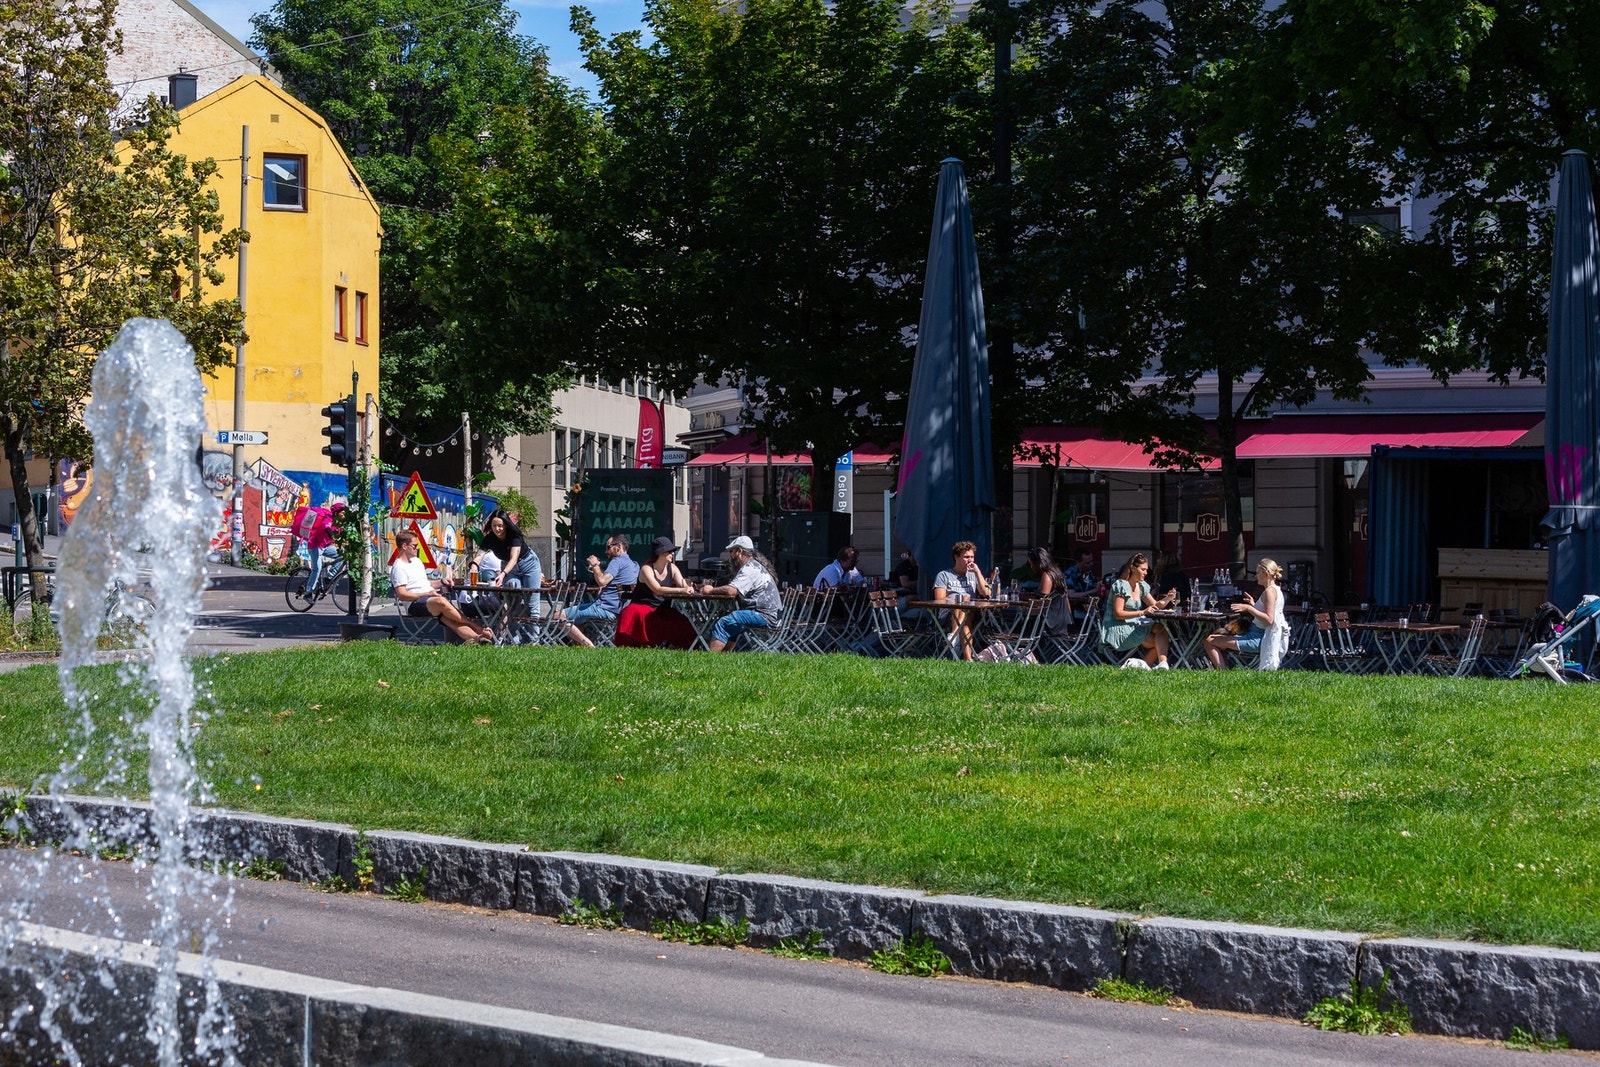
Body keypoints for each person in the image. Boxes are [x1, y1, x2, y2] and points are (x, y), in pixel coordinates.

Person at [388, 529, 494, 644]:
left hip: (430, 600)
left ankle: (478, 638)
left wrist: (442, 581)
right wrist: (427, 594)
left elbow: (426, 583)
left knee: (451, 620)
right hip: (414, 605)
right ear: (404, 546)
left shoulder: (416, 561)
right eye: (414, 546)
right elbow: (402, 595)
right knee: (441, 601)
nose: (417, 548)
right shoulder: (398, 567)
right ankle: (477, 627)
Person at [1205, 559, 1292, 670]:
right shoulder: (1276, 590)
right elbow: (1267, 613)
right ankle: (1225, 670)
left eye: (1257, 573)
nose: (1256, 576)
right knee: (1214, 638)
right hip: (1260, 635)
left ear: (1266, 574)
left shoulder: (1269, 592)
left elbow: (1269, 620)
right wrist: (1254, 605)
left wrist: (1249, 608)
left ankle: (1223, 674)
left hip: (1257, 638)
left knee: (1209, 641)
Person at [700, 535, 782, 651]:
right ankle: (723, 659)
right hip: (770, 615)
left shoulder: (749, 569)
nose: (730, 555)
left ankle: (710, 661)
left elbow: (731, 591)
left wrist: (710, 590)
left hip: (764, 616)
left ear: (739, 551)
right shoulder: (754, 566)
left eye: (731, 551)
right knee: (732, 622)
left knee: (724, 623)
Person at [616, 536, 698, 649]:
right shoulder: (646, 569)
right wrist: (682, 590)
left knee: (682, 623)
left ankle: (675, 649)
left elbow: (683, 584)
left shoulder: (672, 568)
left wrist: (688, 588)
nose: (672, 554)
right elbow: (658, 589)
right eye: (670, 551)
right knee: (634, 613)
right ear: (660, 553)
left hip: (662, 609)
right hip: (643, 606)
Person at [560, 534, 640, 648]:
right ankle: (580, 649)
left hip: (605, 608)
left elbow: (602, 581)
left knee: (558, 616)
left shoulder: (617, 561)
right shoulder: (634, 565)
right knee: (578, 621)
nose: (606, 552)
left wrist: (595, 565)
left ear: (618, 546)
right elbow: (609, 581)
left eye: (608, 547)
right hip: (620, 610)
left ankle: (589, 646)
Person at [1100, 552, 1174, 668]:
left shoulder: (1141, 585)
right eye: (1143, 569)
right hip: (1117, 627)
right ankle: (1140, 669)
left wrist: (1168, 598)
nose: (1146, 573)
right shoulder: (1121, 585)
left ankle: (1163, 665)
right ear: (1133, 568)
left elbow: (1155, 605)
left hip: (1133, 625)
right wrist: (1142, 612)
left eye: (1146, 570)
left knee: (1160, 629)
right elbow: (1118, 614)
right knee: (1158, 643)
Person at [932, 541, 993, 660]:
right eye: (966, 557)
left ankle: (956, 641)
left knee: (965, 611)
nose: (970, 560)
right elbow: (939, 599)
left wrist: (977, 572)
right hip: (947, 615)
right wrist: (957, 600)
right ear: (956, 557)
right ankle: (958, 640)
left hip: (971, 613)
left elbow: (986, 593)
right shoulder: (944, 575)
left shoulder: (973, 575)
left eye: (972, 557)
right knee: (963, 601)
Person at [478, 509, 543, 616]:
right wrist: (474, 566)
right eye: (494, 526)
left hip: (528, 564)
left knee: (532, 608)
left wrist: (503, 574)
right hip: (510, 569)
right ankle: (513, 633)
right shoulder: (489, 538)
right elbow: (479, 555)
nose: (497, 529)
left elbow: (514, 558)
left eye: (500, 525)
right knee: (512, 605)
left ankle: (535, 633)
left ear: (506, 525)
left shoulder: (514, 535)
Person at [290, 502, 341, 592]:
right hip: (315, 546)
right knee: (317, 569)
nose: (344, 514)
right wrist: (333, 537)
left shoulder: (339, 523)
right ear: (336, 513)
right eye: (342, 512)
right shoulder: (329, 519)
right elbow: (327, 528)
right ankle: (308, 593)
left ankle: (329, 578)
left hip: (325, 546)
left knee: (342, 555)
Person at [1029, 546, 1075, 639]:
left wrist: (1027, 608)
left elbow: (1043, 603)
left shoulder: (1047, 575)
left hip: (1051, 624)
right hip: (1063, 622)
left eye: (1031, 563)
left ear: (1037, 563)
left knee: (1020, 626)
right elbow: (1065, 598)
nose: (1031, 567)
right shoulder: (1056, 573)